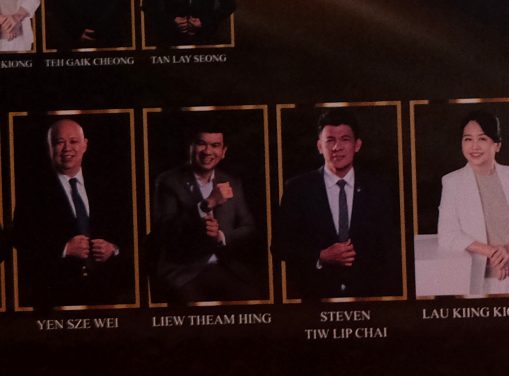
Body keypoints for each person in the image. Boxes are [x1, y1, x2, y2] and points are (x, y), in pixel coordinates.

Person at [6, 116, 133, 308]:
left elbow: (130, 232)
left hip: (107, 293)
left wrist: (114, 249)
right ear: (49, 147)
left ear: (85, 145)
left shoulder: (106, 185)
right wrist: (64, 249)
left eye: (73, 141)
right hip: (54, 294)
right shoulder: (32, 190)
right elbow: (21, 239)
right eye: (59, 142)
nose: (67, 149)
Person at [274, 112, 404, 299]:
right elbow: (280, 247)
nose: (337, 147)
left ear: (357, 145)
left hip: (370, 296)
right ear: (320, 146)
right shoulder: (297, 188)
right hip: (315, 296)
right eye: (330, 140)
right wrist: (320, 256)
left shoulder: (378, 188)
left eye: (345, 139)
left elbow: (391, 247)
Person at [429, 111, 509, 297]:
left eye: (482, 139)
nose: (474, 146)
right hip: (475, 281)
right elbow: (448, 234)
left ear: (497, 145)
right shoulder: (452, 182)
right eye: (468, 139)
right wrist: (492, 252)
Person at [149, 122, 264, 303]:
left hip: (226, 267)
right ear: (191, 147)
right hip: (184, 272)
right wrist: (207, 204)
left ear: (223, 151)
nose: (207, 151)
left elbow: (249, 228)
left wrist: (221, 237)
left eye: (215, 145)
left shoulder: (232, 182)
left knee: (256, 303)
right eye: (201, 144)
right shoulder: (168, 181)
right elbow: (164, 232)